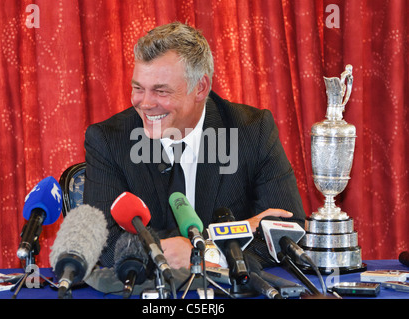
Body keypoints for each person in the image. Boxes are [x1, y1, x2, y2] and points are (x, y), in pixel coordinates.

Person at [83, 22, 306, 270]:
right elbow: (103, 242)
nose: (145, 103)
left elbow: (288, 232)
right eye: (138, 88)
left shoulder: (252, 131)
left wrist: (208, 256)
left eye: (160, 91)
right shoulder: (108, 140)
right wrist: (233, 234)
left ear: (200, 88)